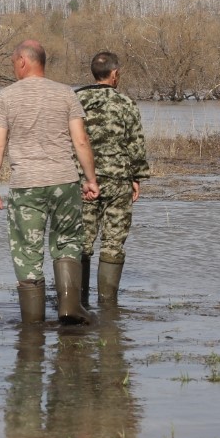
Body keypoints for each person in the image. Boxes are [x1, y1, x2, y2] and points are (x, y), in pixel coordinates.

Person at [0, 39, 100, 324]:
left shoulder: (7, 97)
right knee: (68, 241)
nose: (13, 67)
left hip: (26, 184)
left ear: (23, 61)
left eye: (13, 62)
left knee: (27, 251)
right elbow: (81, 140)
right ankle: (70, 307)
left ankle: (33, 325)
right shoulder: (66, 94)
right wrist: (91, 179)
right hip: (64, 181)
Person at [75, 51, 150, 307]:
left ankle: (78, 301)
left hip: (83, 180)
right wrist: (137, 177)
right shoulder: (126, 103)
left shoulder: (76, 100)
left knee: (81, 241)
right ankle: (108, 306)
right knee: (113, 242)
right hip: (118, 179)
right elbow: (136, 145)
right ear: (115, 74)